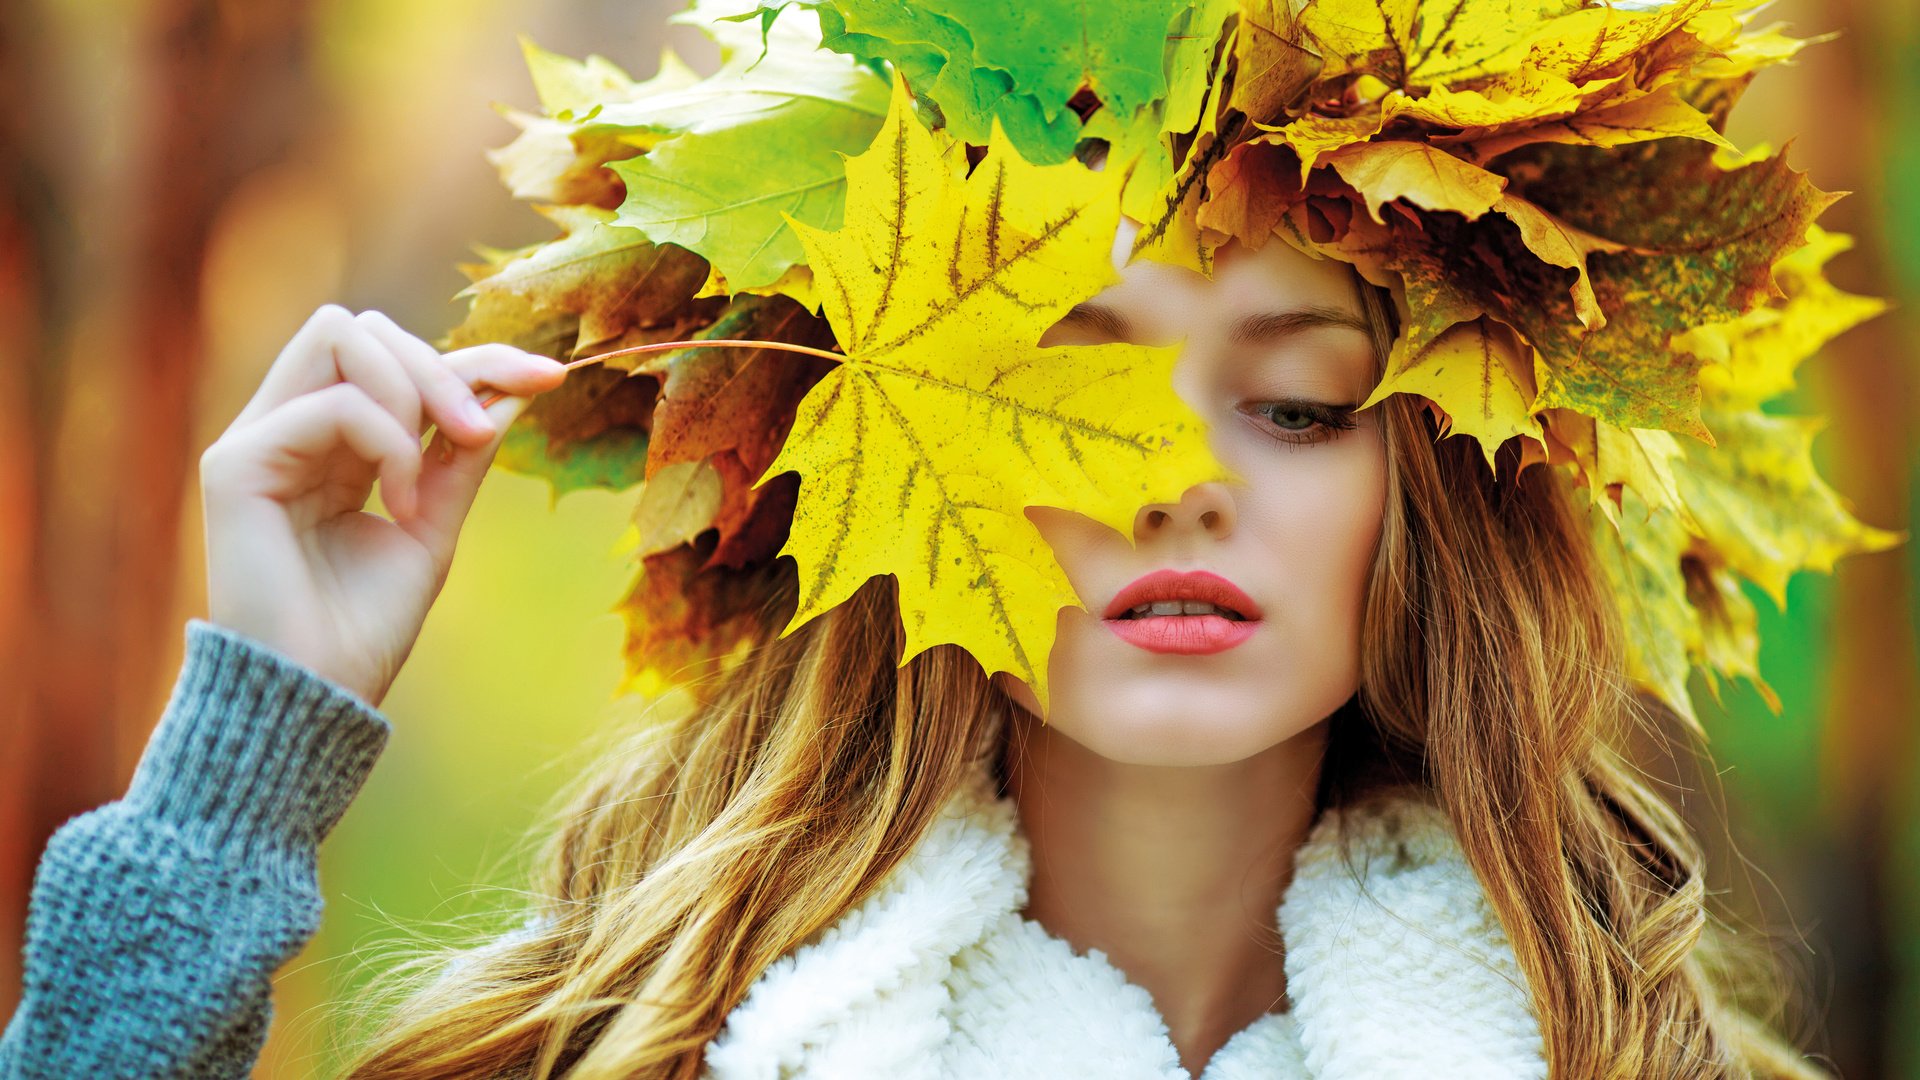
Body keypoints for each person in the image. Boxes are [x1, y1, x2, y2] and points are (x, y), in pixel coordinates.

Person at [0, 1, 1875, 1078]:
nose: (1176, 481)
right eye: (1071, 390)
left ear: (1445, 499)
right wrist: (248, 759)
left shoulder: (1640, 1058)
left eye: (1298, 404)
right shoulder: (627, 1050)